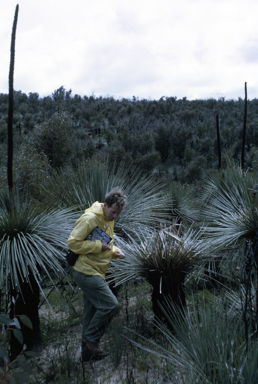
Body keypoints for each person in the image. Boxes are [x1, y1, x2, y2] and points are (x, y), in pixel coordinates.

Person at [67, 187, 126, 361]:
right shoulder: (90, 219)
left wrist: (114, 250)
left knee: (91, 311)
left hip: (96, 271)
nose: (115, 216)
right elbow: (73, 243)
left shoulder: (109, 220)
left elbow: (105, 242)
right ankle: (91, 341)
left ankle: (87, 355)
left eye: (118, 214)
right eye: (113, 212)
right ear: (105, 205)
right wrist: (98, 247)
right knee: (111, 305)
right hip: (85, 271)